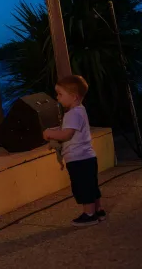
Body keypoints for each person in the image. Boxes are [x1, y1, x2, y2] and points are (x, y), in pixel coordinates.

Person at [43, 75, 106, 226]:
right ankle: (98, 210)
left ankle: (89, 214)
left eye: (60, 94)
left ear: (73, 96)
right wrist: (57, 129)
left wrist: (49, 134)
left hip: (78, 159)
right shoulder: (79, 110)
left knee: (82, 187)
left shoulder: (73, 113)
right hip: (87, 157)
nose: (57, 97)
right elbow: (70, 129)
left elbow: (67, 134)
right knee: (91, 185)